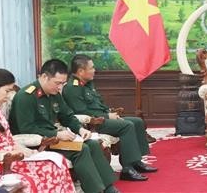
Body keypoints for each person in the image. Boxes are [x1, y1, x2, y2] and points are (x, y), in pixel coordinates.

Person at [9, 59, 119, 193]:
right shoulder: (26, 97)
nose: (60, 87)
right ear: (44, 77)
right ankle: (96, 190)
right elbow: (26, 128)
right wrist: (56, 134)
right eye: (57, 83)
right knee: (81, 149)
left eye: (63, 83)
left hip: (55, 138)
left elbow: (67, 115)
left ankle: (108, 187)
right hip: (38, 142)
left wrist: (80, 128)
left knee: (92, 143)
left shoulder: (54, 93)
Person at [0, 68, 75, 193]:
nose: (8, 97)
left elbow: (8, 139)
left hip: (12, 158)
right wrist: (11, 154)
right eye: (6, 91)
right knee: (36, 177)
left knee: (56, 163)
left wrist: (26, 151)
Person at [62, 54, 157, 182]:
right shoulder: (72, 88)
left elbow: (99, 104)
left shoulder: (88, 84)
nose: (94, 70)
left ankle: (136, 162)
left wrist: (110, 113)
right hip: (93, 124)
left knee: (137, 122)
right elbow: (82, 112)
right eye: (91, 68)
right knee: (127, 126)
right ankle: (127, 169)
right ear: (80, 71)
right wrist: (107, 116)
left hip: (104, 118)